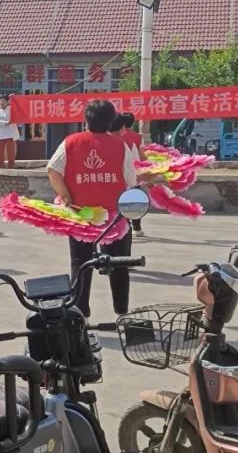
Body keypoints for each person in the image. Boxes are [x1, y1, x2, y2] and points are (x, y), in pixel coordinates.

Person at [47, 99, 147, 318]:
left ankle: (79, 311)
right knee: (118, 264)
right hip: (114, 217)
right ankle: (121, 312)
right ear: (111, 121)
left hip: (81, 213)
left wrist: (66, 195)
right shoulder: (120, 146)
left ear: (86, 120)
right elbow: (131, 181)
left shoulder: (70, 142)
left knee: (80, 264)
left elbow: (53, 170)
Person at [112, 111, 146, 237]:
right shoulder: (138, 137)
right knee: (135, 201)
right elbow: (142, 157)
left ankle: (120, 226)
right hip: (133, 173)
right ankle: (136, 227)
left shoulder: (111, 137)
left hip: (115, 175)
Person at [0, 95, 20, 169]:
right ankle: (0, 168)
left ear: (7, 102)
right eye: (1, 101)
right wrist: (6, 122)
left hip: (10, 134)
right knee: (0, 153)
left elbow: (17, 107)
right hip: (0, 135)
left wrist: (13, 98)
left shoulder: (11, 109)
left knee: (11, 153)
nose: (2, 102)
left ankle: (11, 167)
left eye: (4, 101)